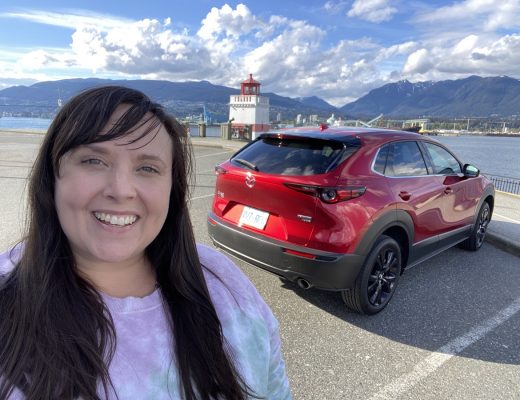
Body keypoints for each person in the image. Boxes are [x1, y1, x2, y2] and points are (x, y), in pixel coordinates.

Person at [0, 86, 292, 400]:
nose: (122, 190)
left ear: (172, 189)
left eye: (147, 168)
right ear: (52, 177)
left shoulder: (223, 279)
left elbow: (274, 385)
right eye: (94, 161)